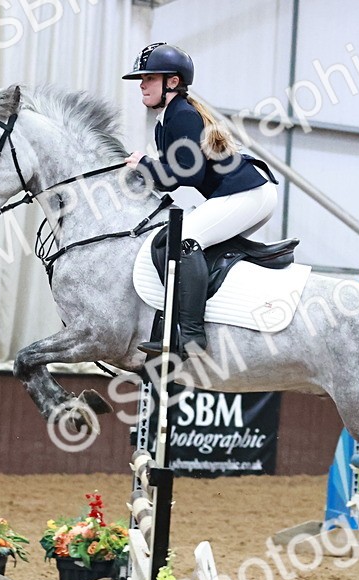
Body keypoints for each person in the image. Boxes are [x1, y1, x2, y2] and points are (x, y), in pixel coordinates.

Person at [122, 42, 279, 358]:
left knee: (184, 241)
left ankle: (191, 336)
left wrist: (145, 163)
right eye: (142, 79)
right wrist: (142, 171)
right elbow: (170, 177)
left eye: (149, 78)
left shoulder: (182, 115)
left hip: (246, 193)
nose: (142, 84)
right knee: (174, 240)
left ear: (172, 82)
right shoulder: (166, 121)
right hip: (241, 194)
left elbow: (188, 175)